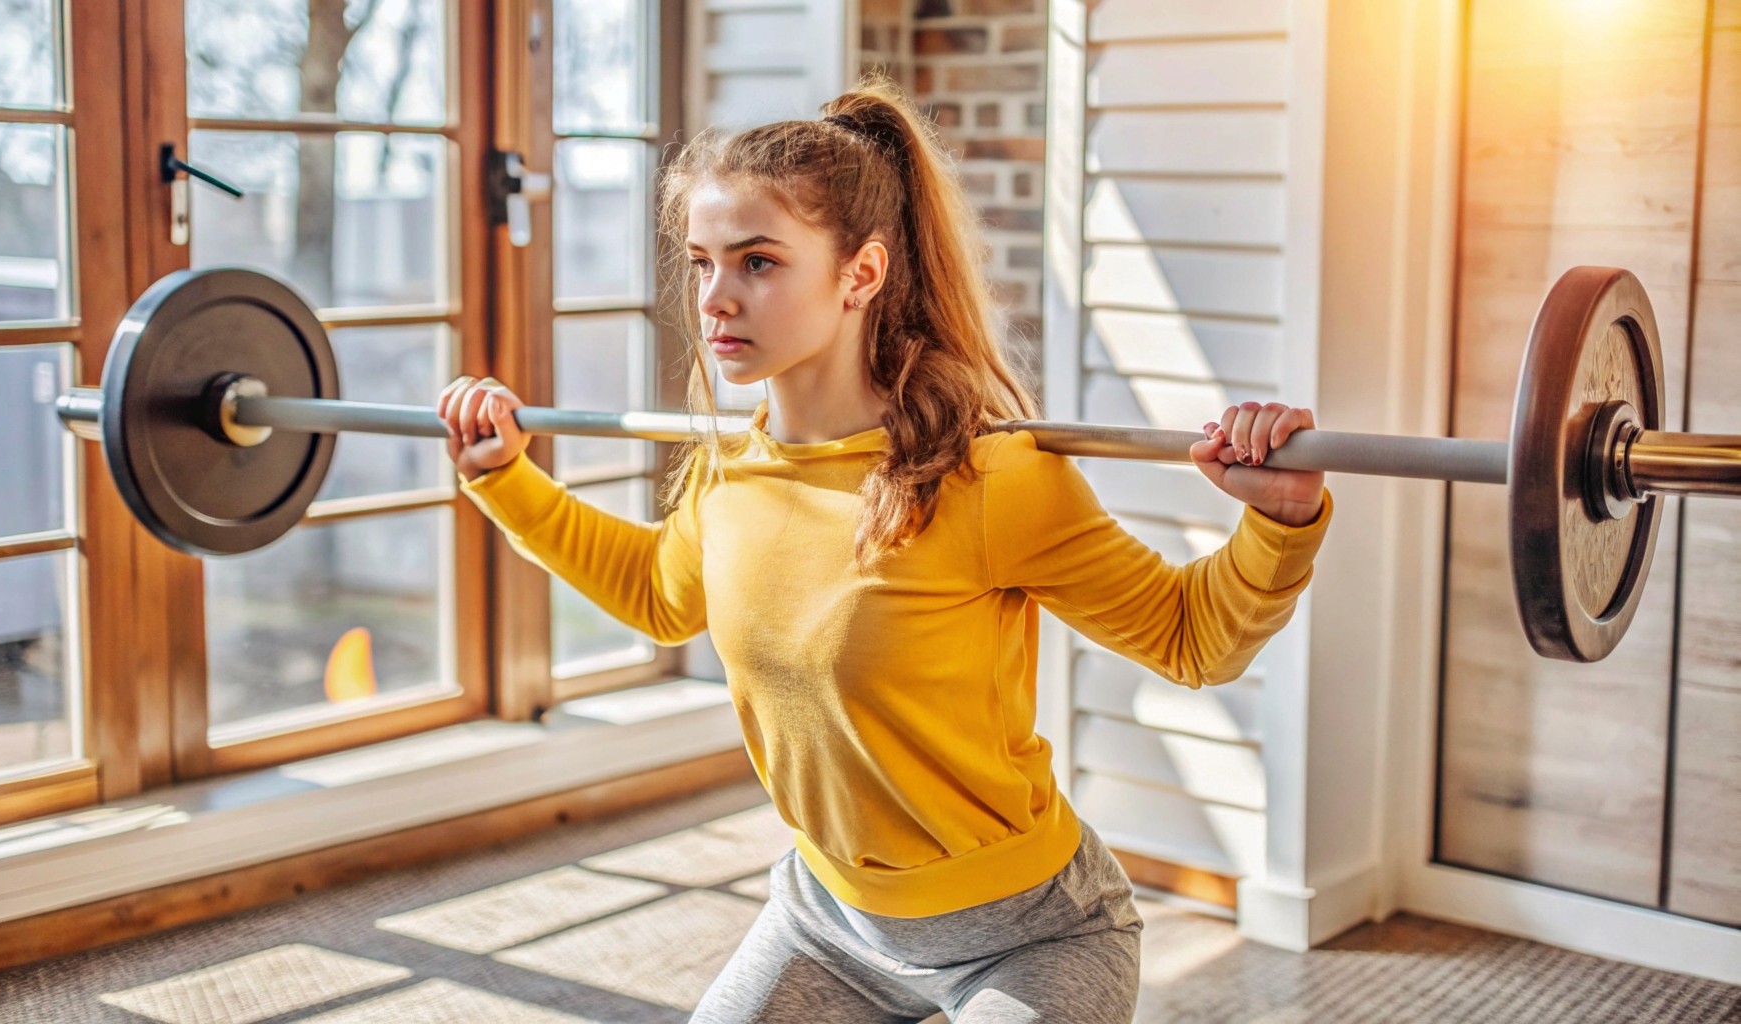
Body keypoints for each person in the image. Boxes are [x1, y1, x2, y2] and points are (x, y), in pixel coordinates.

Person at [438, 77, 1331, 1024]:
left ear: (860, 274)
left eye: (758, 263)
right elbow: (662, 595)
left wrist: (1274, 523)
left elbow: (1194, 640)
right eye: (701, 263)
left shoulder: (988, 477)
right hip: (829, 918)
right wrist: (507, 477)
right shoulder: (735, 470)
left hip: (1030, 934)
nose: (715, 299)